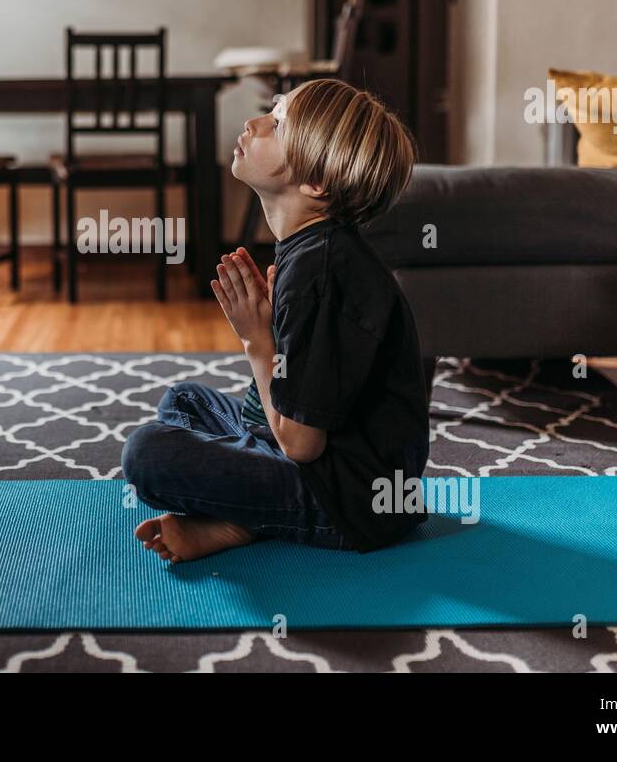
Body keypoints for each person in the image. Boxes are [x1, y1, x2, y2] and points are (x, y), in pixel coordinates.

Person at [121, 78, 430, 562]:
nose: (254, 123)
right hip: (338, 468)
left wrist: (255, 339)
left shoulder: (321, 272)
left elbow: (302, 444)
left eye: (278, 122)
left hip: (356, 501)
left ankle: (244, 520)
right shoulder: (314, 252)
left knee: (146, 453)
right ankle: (247, 512)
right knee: (183, 400)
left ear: (316, 182)